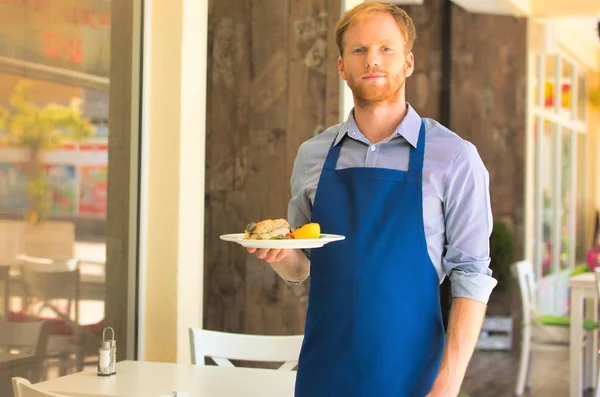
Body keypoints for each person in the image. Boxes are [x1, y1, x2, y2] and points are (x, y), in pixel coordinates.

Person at [247, 2, 497, 396]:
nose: (373, 61)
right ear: (342, 66)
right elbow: (301, 266)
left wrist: (446, 387)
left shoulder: (453, 157)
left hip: (414, 380)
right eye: (359, 50)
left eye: (386, 49)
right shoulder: (312, 155)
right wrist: (277, 253)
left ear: (408, 62)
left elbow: (472, 277)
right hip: (323, 376)